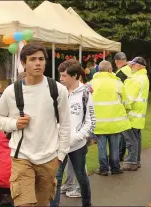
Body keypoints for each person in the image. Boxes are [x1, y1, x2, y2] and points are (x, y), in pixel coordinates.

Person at [0, 43, 71, 206]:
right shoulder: (11, 91)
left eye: (41, 59)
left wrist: (60, 156)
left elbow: (65, 124)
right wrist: (14, 123)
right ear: (23, 63)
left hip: (49, 157)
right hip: (22, 157)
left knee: (42, 204)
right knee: (24, 204)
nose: (38, 63)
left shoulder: (57, 89)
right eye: (33, 59)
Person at [51, 60, 95, 207]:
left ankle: (87, 203)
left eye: (64, 76)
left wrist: (77, 137)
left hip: (77, 145)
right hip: (58, 144)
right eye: (60, 75)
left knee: (81, 176)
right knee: (56, 177)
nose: (61, 79)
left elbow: (91, 122)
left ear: (75, 76)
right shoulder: (57, 91)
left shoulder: (86, 93)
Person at [89, 60, 136, 175]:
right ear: (110, 70)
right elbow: (125, 101)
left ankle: (104, 168)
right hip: (115, 121)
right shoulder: (118, 83)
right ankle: (115, 168)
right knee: (114, 146)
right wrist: (127, 109)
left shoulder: (91, 83)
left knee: (101, 146)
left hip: (99, 122)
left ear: (98, 70)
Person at [124, 57, 150, 169]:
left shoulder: (136, 79)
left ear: (138, 66)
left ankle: (131, 161)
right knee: (137, 138)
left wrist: (122, 108)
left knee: (131, 139)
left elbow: (129, 97)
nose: (130, 66)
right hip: (139, 114)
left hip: (131, 113)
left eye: (133, 64)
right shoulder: (143, 77)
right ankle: (136, 160)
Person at [114, 52, 133, 162]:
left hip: (122, 103)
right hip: (131, 101)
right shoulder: (131, 69)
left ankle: (120, 155)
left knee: (121, 133)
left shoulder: (120, 72)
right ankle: (128, 155)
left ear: (116, 61)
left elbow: (118, 89)